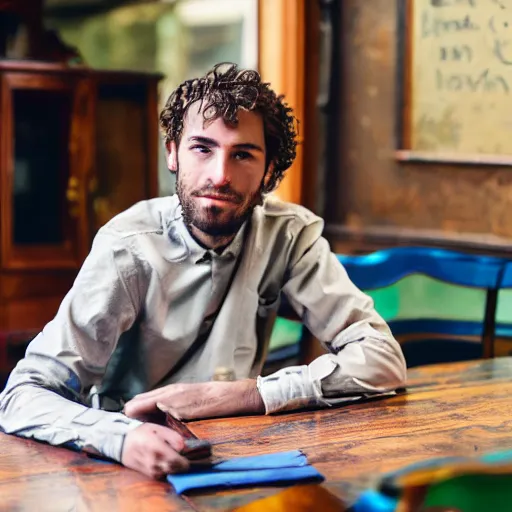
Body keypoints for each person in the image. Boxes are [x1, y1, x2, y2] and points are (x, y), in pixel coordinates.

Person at [0, 63, 406, 479]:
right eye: (202, 148)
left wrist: (239, 394)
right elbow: (23, 395)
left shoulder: (290, 235)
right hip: (130, 467)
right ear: (172, 153)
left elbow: (382, 359)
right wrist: (119, 437)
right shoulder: (128, 247)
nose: (220, 175)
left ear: (268, 171)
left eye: (243, 154)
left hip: (247, 455)